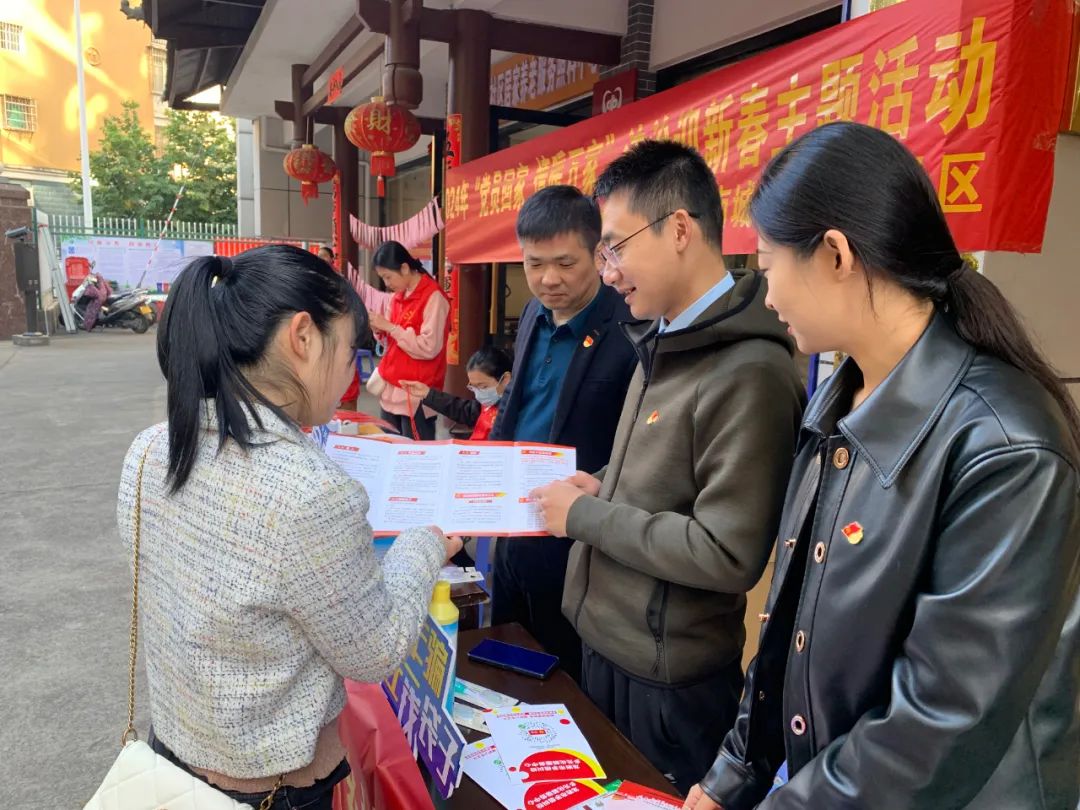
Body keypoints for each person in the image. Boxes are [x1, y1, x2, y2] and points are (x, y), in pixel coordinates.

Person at [683, 122, 1080, 810]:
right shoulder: (837, 403)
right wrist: (733, 777)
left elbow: (939, 722)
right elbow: (786, 628)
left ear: (835, 254)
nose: (767, 296)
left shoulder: (1006, 446)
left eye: (770, 265)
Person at [117, 245, 461, 810]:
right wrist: (423, 545)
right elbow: (373, 651)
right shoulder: (309, 493)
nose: (351, 374)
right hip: (269, 788)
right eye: (349, 351)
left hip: (174, 755)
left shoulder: (150, 449)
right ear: (303, 337)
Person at [530, 140, 805, 793]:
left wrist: (586, 515)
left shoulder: (751, 370)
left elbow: (726, 552)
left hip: (667, 685)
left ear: (679, 229)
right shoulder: (664, 338)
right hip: (607, 648)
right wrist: (602, 483)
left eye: (616, 248)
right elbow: (664, 478)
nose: (609, 272)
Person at [490, 184, 639, 683]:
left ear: (598, 255)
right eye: (534, 264)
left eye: (565, 263)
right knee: (505, 650)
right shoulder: (534, 314)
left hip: (575, 538)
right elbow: (515, 403)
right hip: (513, 521)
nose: (548, 279)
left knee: (561, 670)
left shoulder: (629, 326)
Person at [353, 241, 450, 440]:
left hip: (416, 391)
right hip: (391, 386)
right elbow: (390, 342)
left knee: (415, 452)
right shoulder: (397, 297)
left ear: (405, 268)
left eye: (388, 276)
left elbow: (429, 347)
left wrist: (390, 327)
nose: (386, 283)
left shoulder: (433, 297)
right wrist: (379, 330)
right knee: (391, 445)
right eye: (383, 278)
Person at [400, 345, 513, 441]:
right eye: (474, 387)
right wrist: (427, 394)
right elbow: (463, 409)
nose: (479, 393)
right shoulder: (487, 405)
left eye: (483, 386)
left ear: (505, 379)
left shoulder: (514, 410)